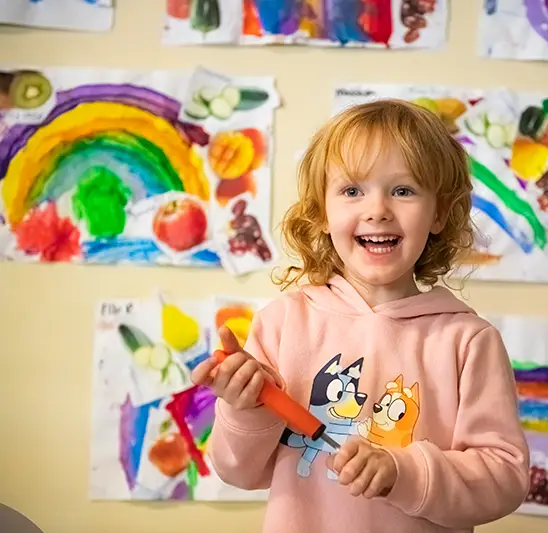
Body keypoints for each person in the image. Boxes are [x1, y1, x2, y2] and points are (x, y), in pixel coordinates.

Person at [191, 99, 530, 533]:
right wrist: (244, 407)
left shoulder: (467, 340)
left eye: (403, 190)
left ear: (440, 213)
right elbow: (237, 471)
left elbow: (503, 478)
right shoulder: (281, 324)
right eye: (352, 191)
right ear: (322, 212)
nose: (377, 210)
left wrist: (402, 473)